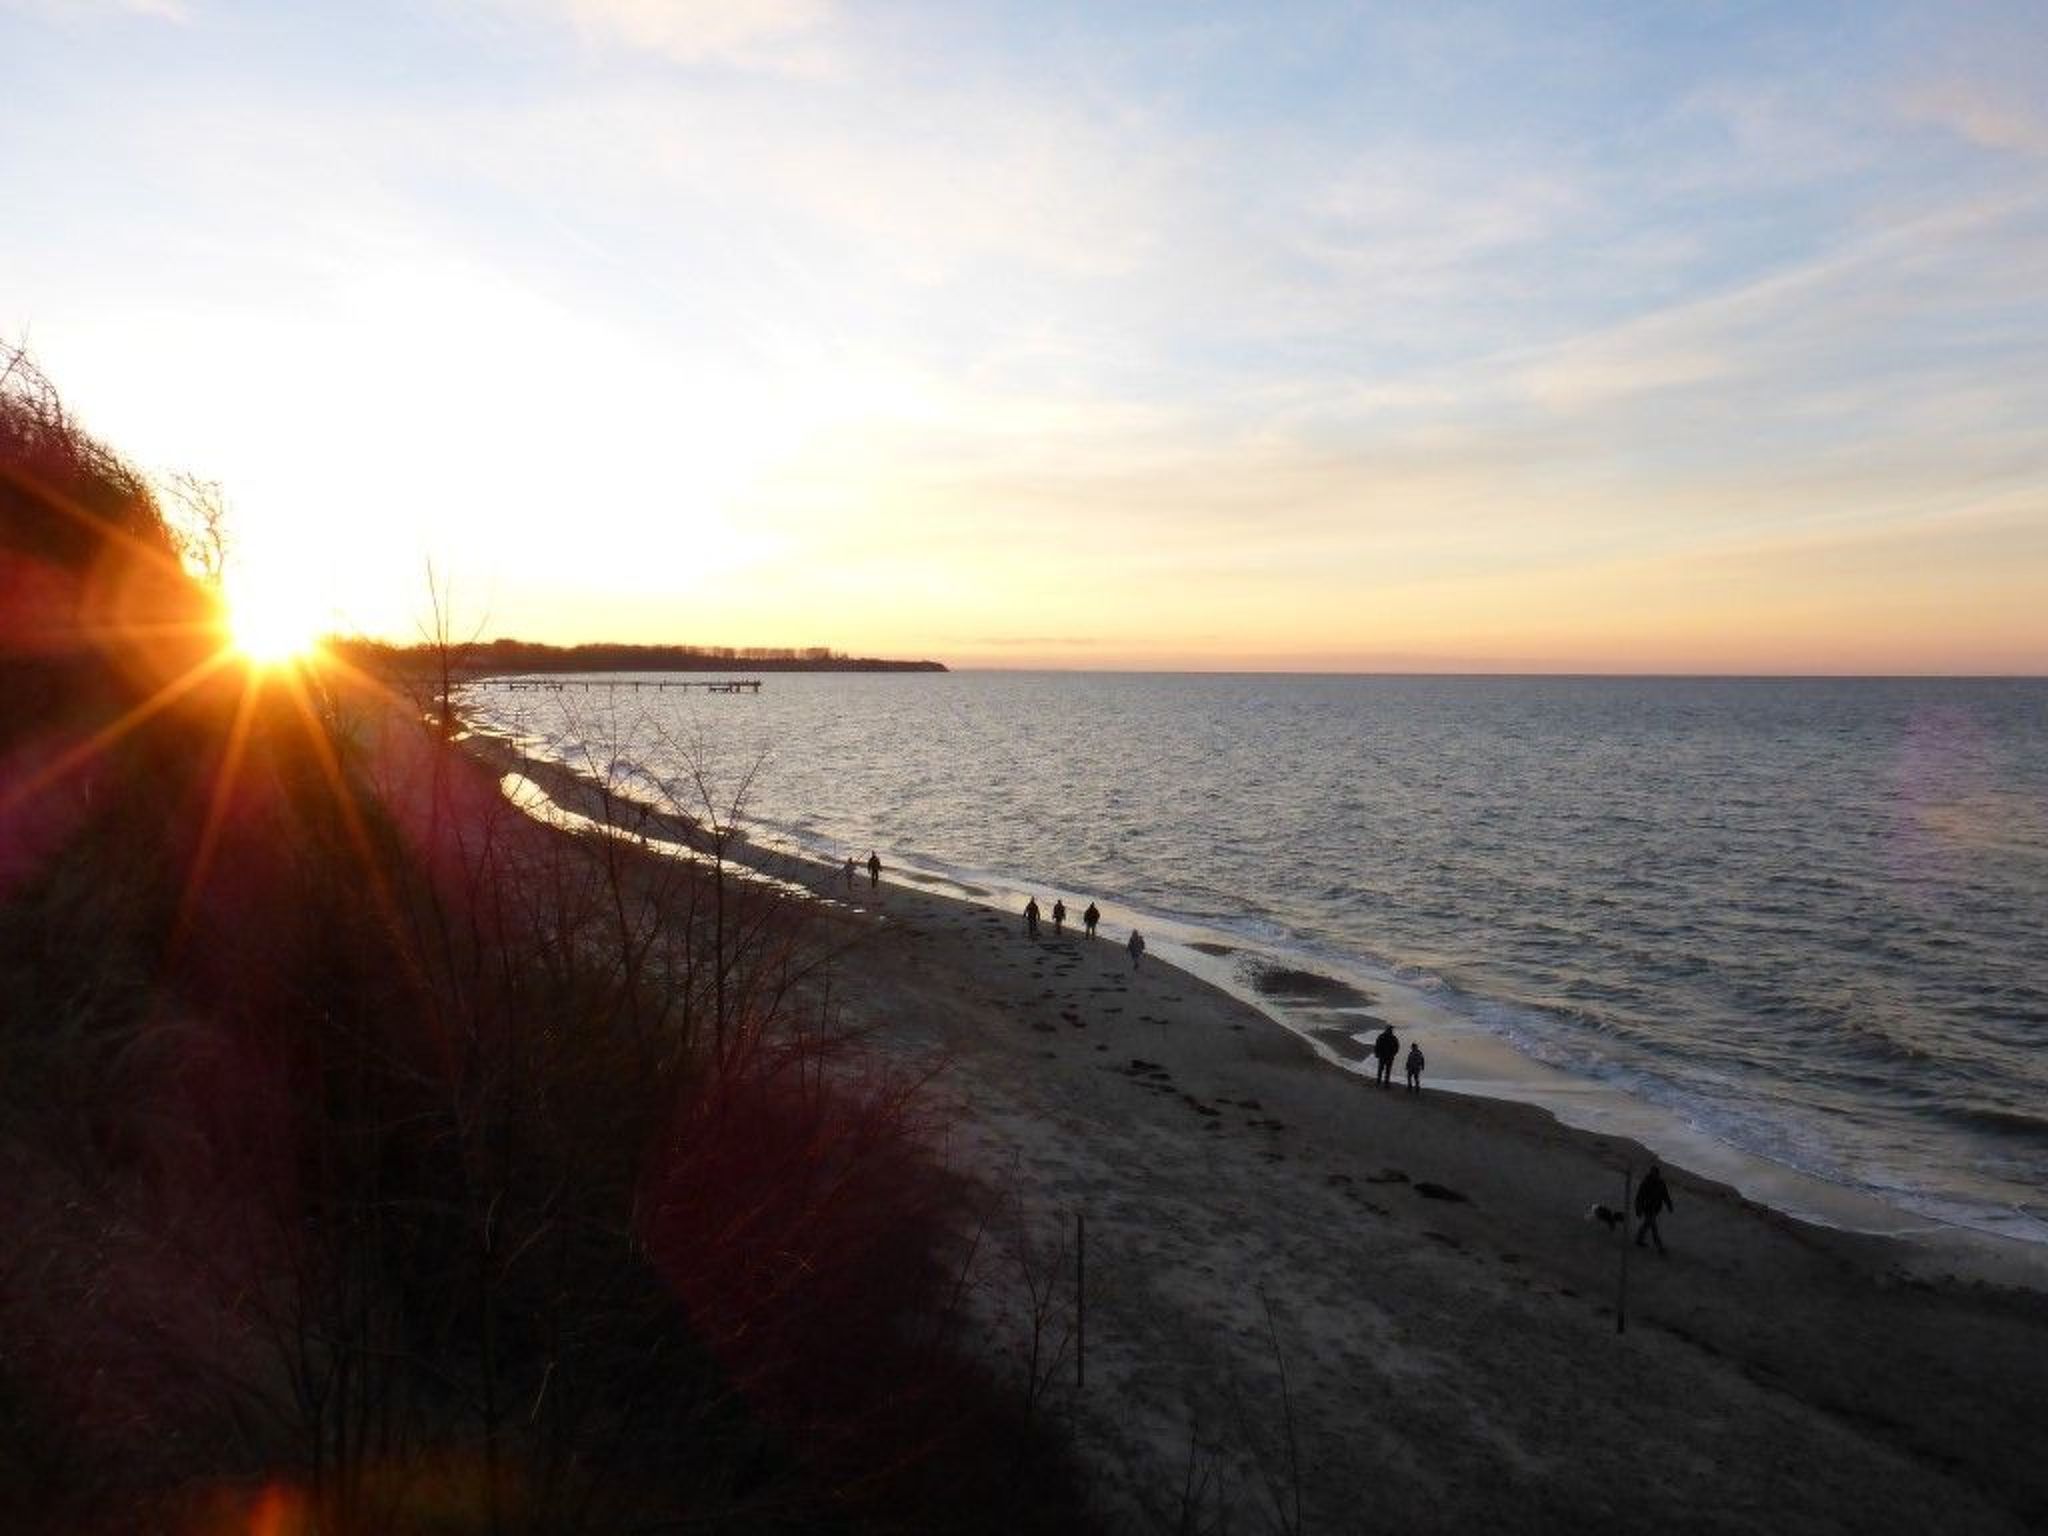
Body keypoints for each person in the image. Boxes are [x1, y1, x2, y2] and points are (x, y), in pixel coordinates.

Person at [1634, 1166, 1673, 1254]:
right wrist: (1638, 1209)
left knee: (1647, 1224)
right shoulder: (1646, 1183)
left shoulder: (1661, 1183)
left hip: (1655, 1209)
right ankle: (1660, 1247)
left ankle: (1638, 1239)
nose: (1655, 1175)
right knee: (1654, 1227)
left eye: (1656, 1174)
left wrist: (1669, 1205)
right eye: (1653, 1174)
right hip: (1647, 1209)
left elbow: (1665, 1195)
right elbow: (1639, 1197)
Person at [1372, 1023, 1400, 1088]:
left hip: (1384, 1057)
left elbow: (1377, 1046)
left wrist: (1377, 1054)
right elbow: (1397, 1047)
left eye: (1391, 1029)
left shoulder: (1382, 1036)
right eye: (1391, 1029)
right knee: (1386, 1070)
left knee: (1381, 1070)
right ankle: (1385, 1083)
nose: (1391, 1030)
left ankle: (1380, 1082)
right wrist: (1393, 1054)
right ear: (1389, 1030)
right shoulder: (1393, 1038)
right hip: (1388, 1057)